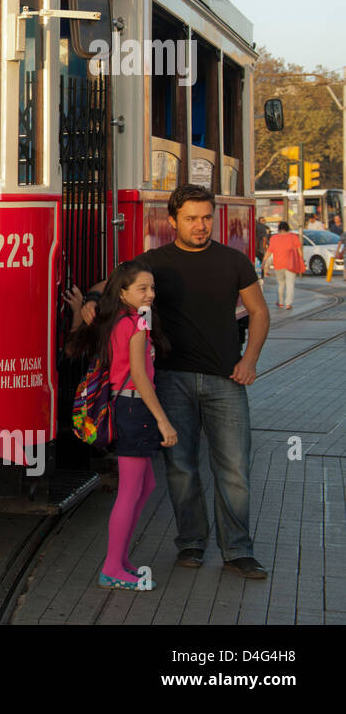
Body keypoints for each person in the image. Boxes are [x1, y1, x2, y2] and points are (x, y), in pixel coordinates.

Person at [134, 184, 269, 580]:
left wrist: (250, 360)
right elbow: (120, 288)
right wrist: (90, 301)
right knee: (181, 467)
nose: (200, 225)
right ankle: (191, 543)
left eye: (207, 217)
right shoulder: (154, 262)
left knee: (234, 468)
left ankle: (238, 551)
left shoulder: (233, 260)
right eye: (191, 218)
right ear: (172, 220)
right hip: (172, 380)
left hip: (226, 380)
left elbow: (259, 312)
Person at [65, 260, 177, 590]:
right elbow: (141, 377)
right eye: (143, 288)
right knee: (129, 492)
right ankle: (112, 567)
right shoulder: (136, 323)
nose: (151, 294)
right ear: (124, 291)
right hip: (135, 407)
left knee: (146, 487)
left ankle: (121, 558)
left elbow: (71, 347)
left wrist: (76, 311)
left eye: (152, 288)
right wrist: (163, 422)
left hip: (127, 407)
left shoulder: (114, 320)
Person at [263, 221, 303, 310]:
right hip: (291, 264)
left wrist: (264, 261)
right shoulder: (294, 237)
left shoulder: (274, 238)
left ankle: (280, 302)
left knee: (280, 284)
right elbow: (299, 250)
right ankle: (288, 304)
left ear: (279, 228)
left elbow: (269, 251)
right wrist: (301, 261)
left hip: (278, 264)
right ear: (288, 228)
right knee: (290, 284)